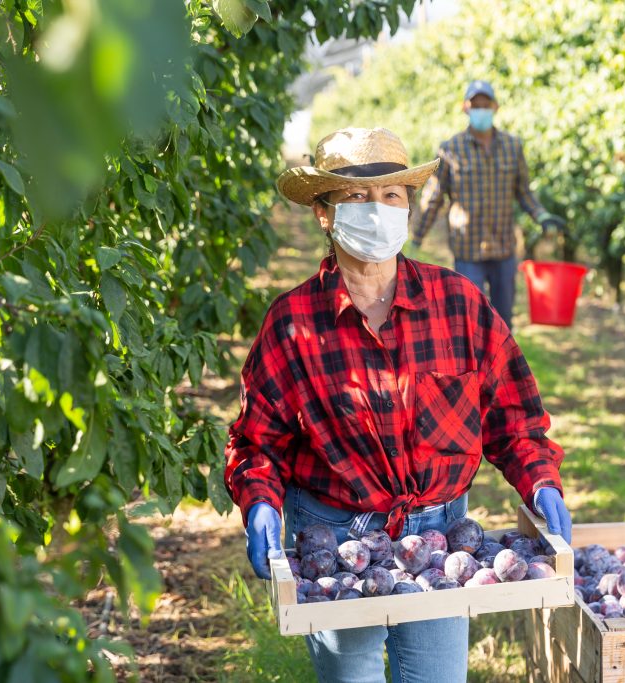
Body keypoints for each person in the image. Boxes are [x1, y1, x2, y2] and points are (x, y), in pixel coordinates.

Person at [224, 127, 571, 683]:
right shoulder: (293, 324)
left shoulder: (458, 303)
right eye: (357, 196)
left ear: (408, 206)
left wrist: (540, 481)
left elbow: (513, 416)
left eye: (391, 196)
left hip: (440, 541)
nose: (377, 210)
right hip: (335, 546)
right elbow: (257, 440)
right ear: (324, 212)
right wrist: (260, 499)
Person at [411, 79, 565, 329]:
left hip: (503, 248)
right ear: (465, 108)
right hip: (468, 250)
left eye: (485, 104)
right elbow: (434, 195)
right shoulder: (451, 149)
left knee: (503, 322)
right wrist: (417, 237)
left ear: (495, 107)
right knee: (470, 320)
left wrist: (542, 215)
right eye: (476, 105)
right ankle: (474, 367)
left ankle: (501, 367)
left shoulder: (512, 147)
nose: (481, 109)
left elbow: (523, 192)